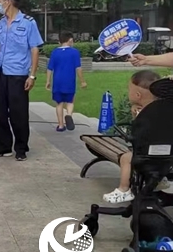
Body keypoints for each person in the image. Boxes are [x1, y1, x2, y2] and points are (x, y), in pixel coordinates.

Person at [0, 0, 44, 161]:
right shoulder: (1, 23)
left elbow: (34, 49)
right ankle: (2, 146)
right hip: (0, 72)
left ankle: (21, 148)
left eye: (0, 1)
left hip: (17, 74)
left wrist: (32, 75)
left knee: (18, 113)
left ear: (8, 2)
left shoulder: (28, 22)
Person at [102, 70, 169, 203]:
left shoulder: (144, 113)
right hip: (168, 154)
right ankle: (160, 180)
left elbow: (138, 132)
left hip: (146, 154)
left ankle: (124, 190)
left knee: (126, 158)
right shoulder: (164, 109)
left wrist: (135, 116)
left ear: (138, 95)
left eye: (129, 90)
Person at [45, 31, 87, 132]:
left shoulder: (54, 52)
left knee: (59, 103)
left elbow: (49, 68)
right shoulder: (74, 52)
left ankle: (60, 125)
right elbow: (78, 68)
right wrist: (82, 81)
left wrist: (48, 81)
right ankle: (68, 115)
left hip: (57, 82)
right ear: (70, 40)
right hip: (69, 81)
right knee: (70, 101)